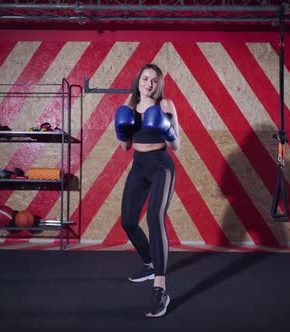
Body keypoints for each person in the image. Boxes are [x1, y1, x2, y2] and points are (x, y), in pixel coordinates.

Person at [114, 63, 181, 318]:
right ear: (138, 80)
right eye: (146, 79)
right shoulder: (129, 104)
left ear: (159, 84)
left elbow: (177, 145)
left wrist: (167, 129)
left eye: (154, 80)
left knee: (155, 218)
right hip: (139, 166)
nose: (149, 84)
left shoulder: (165, 105)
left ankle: (160, 289)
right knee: (128, 221)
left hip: (161, 166)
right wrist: (121, 130)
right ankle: (150, 264)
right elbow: (125, 147)